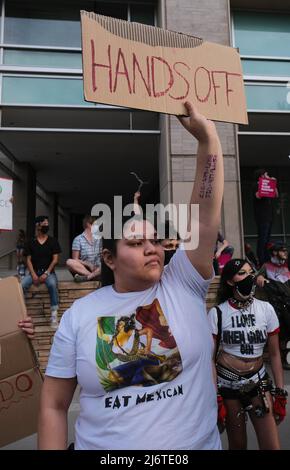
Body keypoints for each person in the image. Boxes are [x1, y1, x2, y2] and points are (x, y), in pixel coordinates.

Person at [38, 102, 224, 450]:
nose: (151, 248)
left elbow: (203, 217)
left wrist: (208, 139)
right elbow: (54, 405)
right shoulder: (77, 316)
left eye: (155, 240)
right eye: (137, 242)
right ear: (108, 257)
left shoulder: (182, 281)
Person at [208, 258, 287, 450]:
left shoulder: (266, 309)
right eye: (242, 273)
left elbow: (275, 354)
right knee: (238, 445)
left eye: (250, 272)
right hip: (228, 387)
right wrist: (215, 396)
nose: (248, 277)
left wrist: (280, 391)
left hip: (258, 383)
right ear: (229, 281)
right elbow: (210, 359)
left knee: (272, 446)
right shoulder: (218, 313)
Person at [21, 216, 61, 329]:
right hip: (34, 272)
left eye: (47, 224)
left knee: (52, 285)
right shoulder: (31, 242)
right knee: (22, 285)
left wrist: (47, 273)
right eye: (44, 224)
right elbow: (28, 260)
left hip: (48, 273)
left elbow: (55, 259)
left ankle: (54, 315)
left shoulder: (53, 241)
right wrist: (33, 274)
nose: (46, 226)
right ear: (37, 225)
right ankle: (22, 312)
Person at [253, 169, 278, 267]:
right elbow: (258, 196)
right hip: (261, 217)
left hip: (269, 216)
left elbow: (276, 194)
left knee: (267, 240)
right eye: (266, 175)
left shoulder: (268, 185)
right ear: (262, 176)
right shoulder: (256, 185)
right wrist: (264, 184)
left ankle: (267, 259)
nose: (268, 176)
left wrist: (273, 183)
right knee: (262, 239)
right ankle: (261, 261)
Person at [66, 215, 101, 282]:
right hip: (84, 269)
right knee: (69, 262)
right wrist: (89, 264)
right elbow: (75, 259)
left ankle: (89, 277)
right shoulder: (78, 239)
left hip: (98, 268)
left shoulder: (100, 238)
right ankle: (92, 276)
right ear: (89, 224)